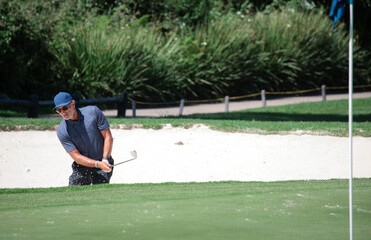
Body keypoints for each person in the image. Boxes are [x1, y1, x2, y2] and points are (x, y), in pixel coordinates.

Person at [53, 92, 114, 185]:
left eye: (65, 108)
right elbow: (77, 157)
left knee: (99, 194)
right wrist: (97, 164)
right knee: (73, 194)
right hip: (81, 166)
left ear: (73, 104)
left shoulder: (93, 112)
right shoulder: (62, 131)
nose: (63, 112)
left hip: (103, 160)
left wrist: (105, 159)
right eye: (59, 110)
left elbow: (108, 137)